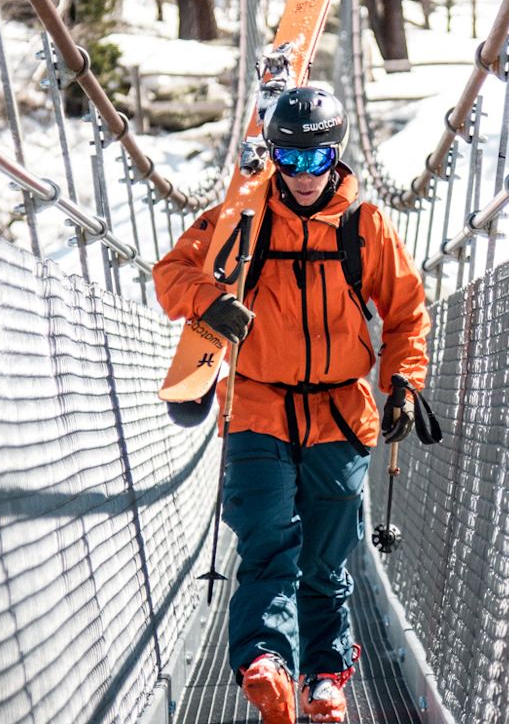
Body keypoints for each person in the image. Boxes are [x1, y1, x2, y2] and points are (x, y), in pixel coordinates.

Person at [154, 86, 430, 724]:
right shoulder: (241, 219)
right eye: (290, 159)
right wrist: (208, 301)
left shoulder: (365, 226)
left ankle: (326, 678)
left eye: (317, 159)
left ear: (336, 155)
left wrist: (405, 383)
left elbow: (408, 313)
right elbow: (171, 272)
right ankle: (267, 667)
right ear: (273, 155)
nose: (304, 176)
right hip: (256, 406)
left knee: (325, 560)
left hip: (340, 413)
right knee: (267, 544)